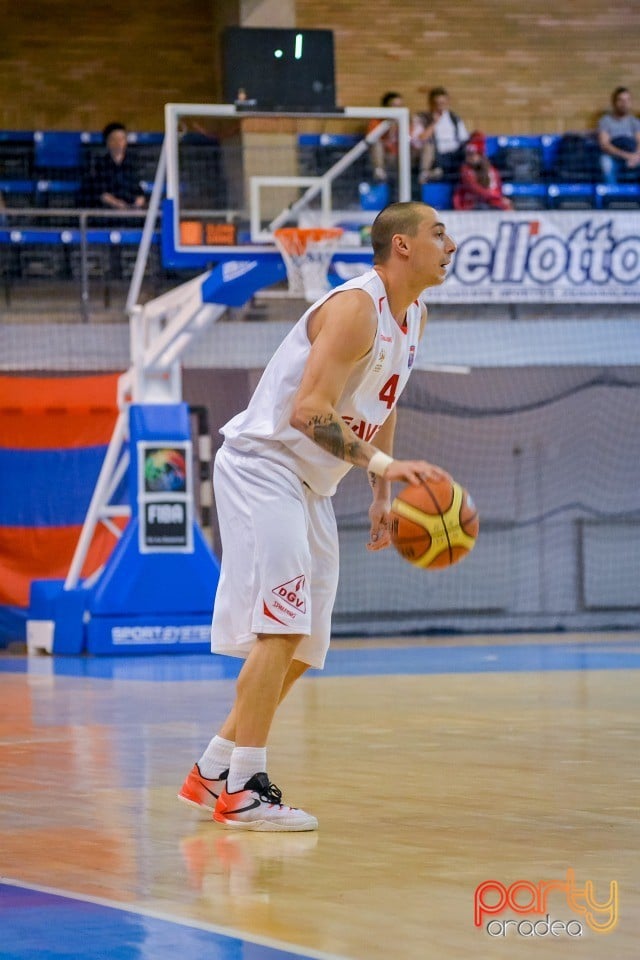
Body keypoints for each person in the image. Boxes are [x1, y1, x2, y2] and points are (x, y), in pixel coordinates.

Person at [178, 201, 456, 832]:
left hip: (312, 485)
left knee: (306, 643)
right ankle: (244, 789)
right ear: (402, 246)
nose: (451, 244)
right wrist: (385, 468)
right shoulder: (356, 307)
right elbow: (308, 409)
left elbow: (382, 398)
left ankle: (213, 770)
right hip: (264, 465)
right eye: (438, 232)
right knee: (282, 623)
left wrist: (378, 486)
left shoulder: (415, 318)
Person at [410, 86, 469, 184]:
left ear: (447, 102)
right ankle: (429, 173)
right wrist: (434, 123)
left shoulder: (454, 118)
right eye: (436, 104)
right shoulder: (423, 118)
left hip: (454, 155)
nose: (439, 107)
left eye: (442, 103)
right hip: (436, 156)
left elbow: (464, 139)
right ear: (430, 103)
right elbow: (419, 139)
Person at [83, 121, 147, 211]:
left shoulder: (133, 164)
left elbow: (140, 191)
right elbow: (101, 193)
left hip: (132, 210)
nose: (118, 143)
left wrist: (138, 201)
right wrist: (116, 203)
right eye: (114, 139)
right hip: (107, 211)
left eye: (122, 139)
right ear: (107, 142)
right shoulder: (99, 165)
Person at [453, 132, 513, 211]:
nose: (469, 157)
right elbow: (475, 188)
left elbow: (496, 188)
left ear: (480, 155)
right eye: (468, 154)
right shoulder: (465, 169)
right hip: (471, 204)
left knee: (506, 206)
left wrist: (499, 200)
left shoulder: (491, 170)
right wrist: (497, 197)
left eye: (473, 154)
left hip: (488, 202)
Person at [597, 87, 640, 184]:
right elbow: (605, 145)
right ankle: (613, 196)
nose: (624, 103)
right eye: (621, 100)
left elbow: (639, 141)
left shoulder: (634, 122)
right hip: (614, 157)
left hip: (633, 155)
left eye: (627, 100)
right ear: (614, 102)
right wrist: (627, 156)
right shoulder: (605, 121)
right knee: (605, 163)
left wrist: (636, 156)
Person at [367, 91, 405, 199]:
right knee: (377, 144)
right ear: (385, 107)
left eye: (399, 106)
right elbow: (371, 142)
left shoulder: (404, 122)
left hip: (398, 158)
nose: (397, 110)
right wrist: (389, 126)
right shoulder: (376, 121)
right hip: (381, 157)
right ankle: (379, 171)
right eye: (394, 106)